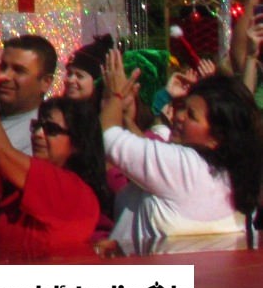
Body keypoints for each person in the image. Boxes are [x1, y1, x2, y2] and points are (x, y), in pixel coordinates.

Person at [100, 47, 263, 252]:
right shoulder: (239, 174)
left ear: (217, 138)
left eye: (191, 115)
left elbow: (109, 138)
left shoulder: (185, 166)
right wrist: (125, 117)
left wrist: (114, 94)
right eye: (182, 107)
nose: (179, 116)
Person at [0, 39, 108, 257]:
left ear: (79, 143)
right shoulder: (32, 183)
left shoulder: (69, 188)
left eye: (51, 130)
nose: (38, 134)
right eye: (37, 126)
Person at [0, 35, 57, 155]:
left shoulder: (41, 135)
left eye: (19, 70)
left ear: (45, 82)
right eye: (3, 67)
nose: (4, 76)